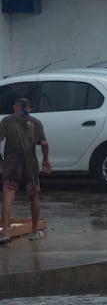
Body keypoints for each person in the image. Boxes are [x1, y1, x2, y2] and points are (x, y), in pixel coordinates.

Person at [0, 97, 51, 244]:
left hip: (11, 164)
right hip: (30, 164)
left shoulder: (6, 121)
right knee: (34, 195)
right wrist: (45, 160)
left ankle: (4, 233)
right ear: (29, 109)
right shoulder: (35, 122)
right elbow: (44, 143)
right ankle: (34, 231)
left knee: (8, 196)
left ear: (15, 107)